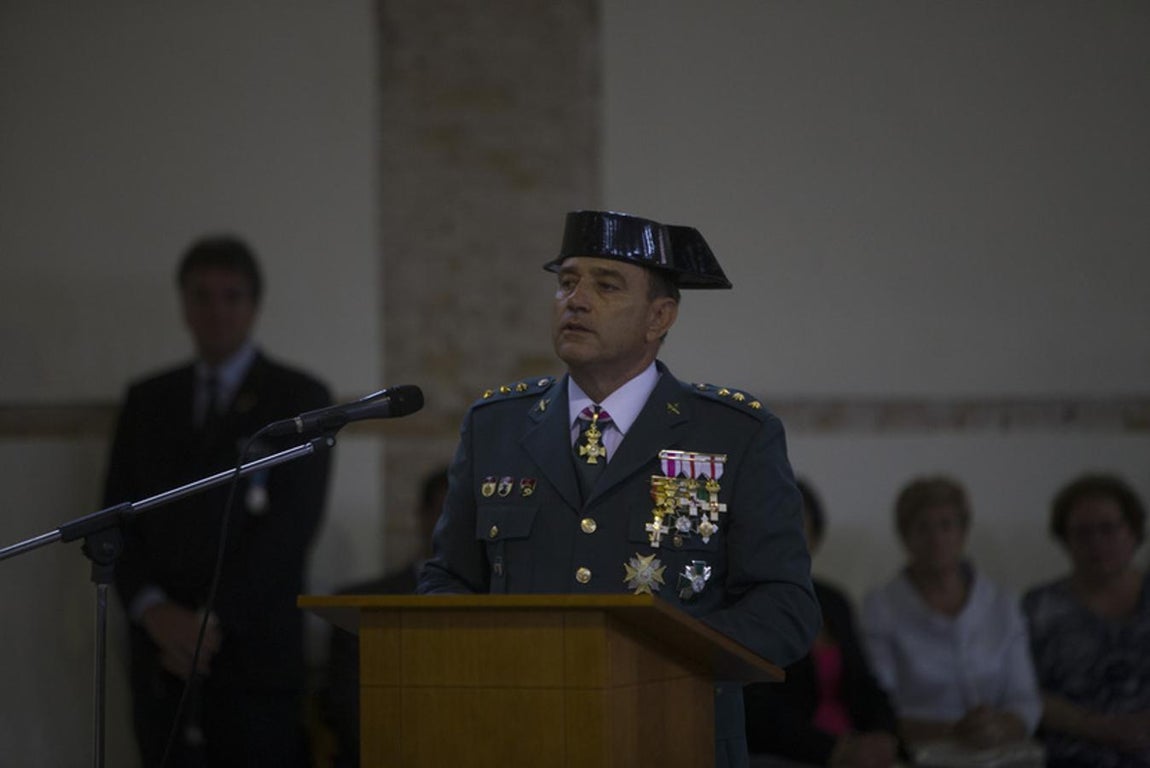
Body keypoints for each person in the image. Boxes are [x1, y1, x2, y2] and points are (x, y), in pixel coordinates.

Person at [419, 209, 820, 768]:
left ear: (660, 317)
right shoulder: (497, 426)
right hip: (521, 732)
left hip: (672, 735)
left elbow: (786, 608)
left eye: (606, 286)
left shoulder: (732, 434)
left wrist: (655, 656)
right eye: (566, 282)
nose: (575, 300)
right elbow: (448, 579)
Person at [103, 235, 333, 768]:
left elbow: (290, 531)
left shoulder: (299, 397)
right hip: (161, 659)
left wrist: (209, 621)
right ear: (183, 304)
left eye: (232, 296)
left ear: (254, 304)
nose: (217, 311)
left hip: (254, 664)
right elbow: (115, 520)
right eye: (202, 296)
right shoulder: (146, 401)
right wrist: (153, 610)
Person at [860, 476, 1041, 754]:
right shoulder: (881, 606)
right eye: (923, 528)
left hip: (1001, 752)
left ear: (963, 532)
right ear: (905, 536)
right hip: (920, 754)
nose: (936, 539)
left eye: (946, 525)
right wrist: (954, 731)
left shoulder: (1001, 602)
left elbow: (1025, 697)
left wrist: (1000, 727)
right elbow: (880, 706)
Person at [745, 479, 900, 767]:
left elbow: (866, 684)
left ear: (815, 536)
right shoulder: (748, 603)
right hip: (792, 755)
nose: (790, 537)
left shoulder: (833, 600)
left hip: (857, 749)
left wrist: (884, 734)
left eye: (800, 525)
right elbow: (756, 709)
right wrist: (834, 750)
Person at [324, 465, 449, 768]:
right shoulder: (362, 604)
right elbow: (347, 706)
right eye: (448, 513)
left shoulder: (502, 602)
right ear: (422, 515)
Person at [1022, 474, 1150, 767]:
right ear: (1064, 539)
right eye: (1082, 532)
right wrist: (1097, 727)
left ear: (1133, 531)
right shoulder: (1039, 606)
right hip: (1074, 755)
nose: (1097, 542)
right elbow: (1021, 692)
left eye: (1108, 529)